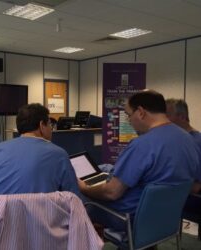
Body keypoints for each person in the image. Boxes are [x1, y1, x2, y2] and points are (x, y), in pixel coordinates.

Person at [78, 90, 199, 230]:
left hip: (129, 218)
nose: (129, 122)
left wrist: (84, 188)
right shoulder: (189, 139)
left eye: (129, 116)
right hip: (165, 217)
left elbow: (111, 192)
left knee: (76, 198)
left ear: (141, 112)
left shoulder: (142, 145)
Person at [0, 103, 82, 198]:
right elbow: (73, 197)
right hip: (39, 216)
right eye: (50, 124)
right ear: (42, 125)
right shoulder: (58, 154)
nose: (51, 129)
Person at [165, 98, 201, 214]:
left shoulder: (193, 142)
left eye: (167, 115)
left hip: (193, 198)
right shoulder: (182, 140)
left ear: (182, 117)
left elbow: (196, 186)